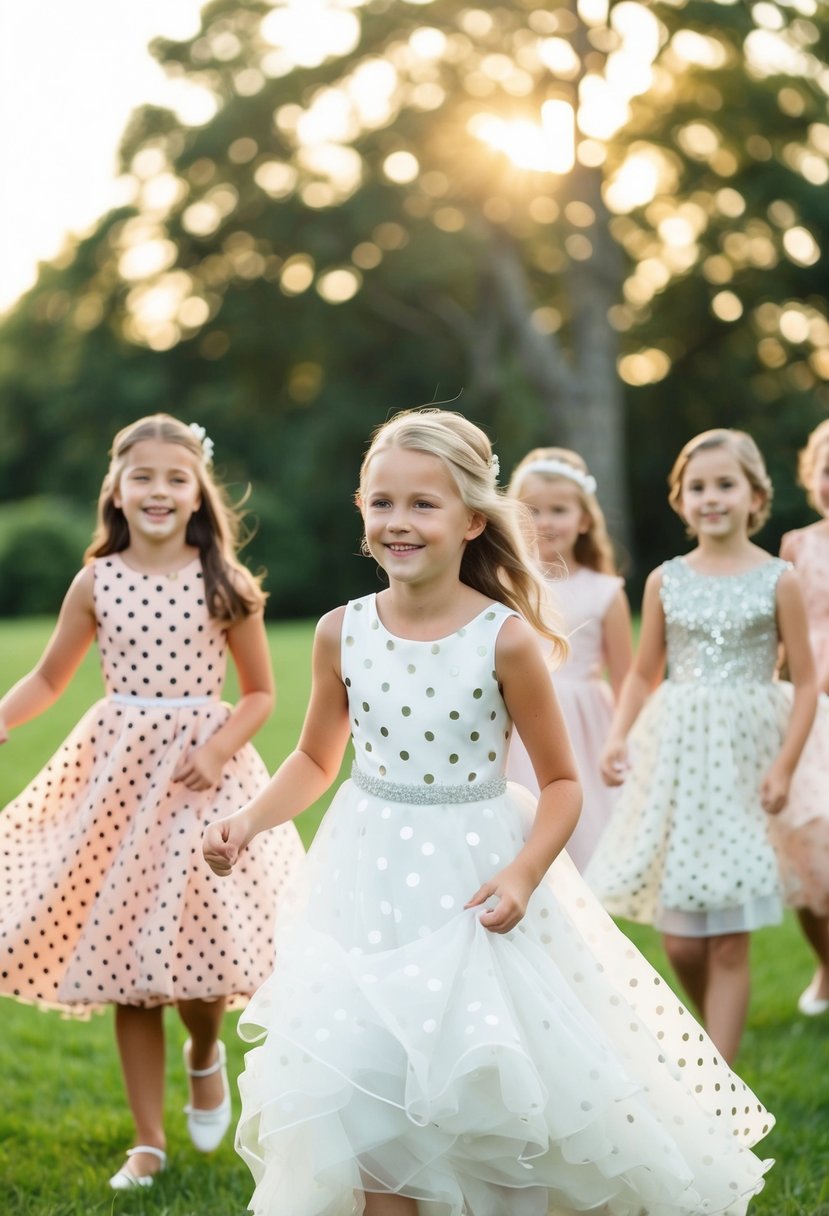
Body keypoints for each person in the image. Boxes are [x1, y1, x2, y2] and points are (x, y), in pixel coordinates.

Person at [205, 409, 774, 1216]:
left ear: (472, 519)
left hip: (476, 883)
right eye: (381, 502)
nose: (397, 522)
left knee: (488, 1094)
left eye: (422, 505)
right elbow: (314, 760)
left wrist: (522, 871)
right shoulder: (341, 632)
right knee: (366, 1086)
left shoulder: (503, 640)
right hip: (364, 885)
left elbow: (562, 785)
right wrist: (250, 821)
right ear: (361, 511)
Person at [0, 414, 304, 1189]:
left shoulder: (223, 581)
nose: (159, 491)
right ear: (117, 490)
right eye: (143, 476)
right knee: (124, 961)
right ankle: (147, 1141)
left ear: (198, 492)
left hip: (202, 784)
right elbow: (48, 679)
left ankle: (205, 1051)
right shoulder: (95, 581)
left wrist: (217, 748)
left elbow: (262, 694)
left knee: (199, 970)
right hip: (117, 782)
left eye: (175, 478)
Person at [587, 428, 817, 1064]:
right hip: (681, 756)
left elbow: (805, 682)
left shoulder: (780, 580)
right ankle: (707, 1039)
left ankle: (720, 1079)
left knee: (729, 941)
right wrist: (617, 733)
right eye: (698, 487)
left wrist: (785, 766)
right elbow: (641, 671)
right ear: (681, 500)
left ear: (755, 495)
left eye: (725, 484)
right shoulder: (665, 580)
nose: (711, 497)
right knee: (685, 942)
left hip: (750, 758)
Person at [505, 447, 632, 870]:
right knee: (518, 825)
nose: (545, 522)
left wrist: (625, 741)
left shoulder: (605, 590)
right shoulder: (505, 584)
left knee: (584, 837)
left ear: (584, 518)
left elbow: (627, 678)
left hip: (584, 726)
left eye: (558, 510)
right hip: (519, 722)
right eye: (533, 510)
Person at [768, 419, 829, 1015]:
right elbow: (786, 636)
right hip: (810, 711)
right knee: (809, 845)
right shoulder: (799, 546)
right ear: (813, 476)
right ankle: (825, 963)